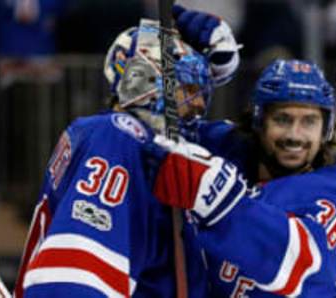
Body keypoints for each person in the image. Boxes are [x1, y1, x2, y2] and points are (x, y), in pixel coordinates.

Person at [13, 9, 240, 297]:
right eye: (188, 89)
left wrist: (223, 64)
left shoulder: (124, 139)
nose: (197, 106)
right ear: (145, 77)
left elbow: (246, 148)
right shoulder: (120, 136)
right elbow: (74, 277)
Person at [149, 58, 336, 297]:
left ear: (325, 130)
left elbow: (299, 265)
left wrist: (223, 204)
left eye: (309, 122)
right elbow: (160, 133)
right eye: (282, 119)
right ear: (259, 120)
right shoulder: (229, 146)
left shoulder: (330, 195)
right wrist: (197, 62)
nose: (294, 136)